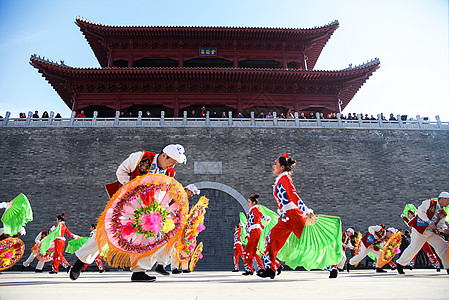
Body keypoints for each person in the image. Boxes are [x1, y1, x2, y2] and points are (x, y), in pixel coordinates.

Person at [70, 144, 187, 282]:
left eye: (175, 164)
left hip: (148, 210)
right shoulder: (142, 157)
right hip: (126, 203)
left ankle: (139, 271)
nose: (172, 166)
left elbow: (165, 192)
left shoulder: (169, 173)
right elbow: (121, 172)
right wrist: (135, 187)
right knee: (105, 231)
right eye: (171, 162)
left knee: (148, 237)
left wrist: (168, 209)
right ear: (163, 155)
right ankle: (81, 261)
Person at [257, 154, 313, 279]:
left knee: (312, 241)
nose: (273, 166)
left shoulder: (285, 178)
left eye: (276, 164)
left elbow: (293, 196)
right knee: (270, 238)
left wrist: (305, 210)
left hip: (293, 216)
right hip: (286, 217)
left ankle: (333, 262)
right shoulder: (281, 179)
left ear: (282, 167)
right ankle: (272, 267)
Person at [396, 192, 449, 275]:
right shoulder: (429, 203)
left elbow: (440, 224)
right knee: (414, 248)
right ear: (443, 198)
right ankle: (400, 264)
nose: (448, 203)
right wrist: (429, 221)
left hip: (431, 232)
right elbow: (420, 212)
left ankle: (448, 266)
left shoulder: (443, 213)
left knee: (443, 246)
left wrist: (444, 229)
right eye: (448, 200)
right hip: (419, 230)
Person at [401, 205, 440, 271]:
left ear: (413, 214)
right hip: (416, 239)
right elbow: (409, 222)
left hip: (422, 238)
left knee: (428, 251)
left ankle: (436, 264)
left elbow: (410, 223)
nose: (408, 215)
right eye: (408, 214)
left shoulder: (416, 220)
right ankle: (411, 264)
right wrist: (403, 216)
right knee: (413, 250)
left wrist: (404, 217)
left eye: (409, 214)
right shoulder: (412, 220)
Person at [242, 194, 270, 275]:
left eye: (249, 202)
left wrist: (266, 218)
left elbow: (260, 215)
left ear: (254, 203)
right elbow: (250, 223)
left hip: (256, 232)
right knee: (254, 251)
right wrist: (247, 233)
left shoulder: (255, 209)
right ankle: (255, 268)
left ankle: (251, 269)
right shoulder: (251, 211)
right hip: (253, 232)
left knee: (250, 251)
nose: (248, 203)